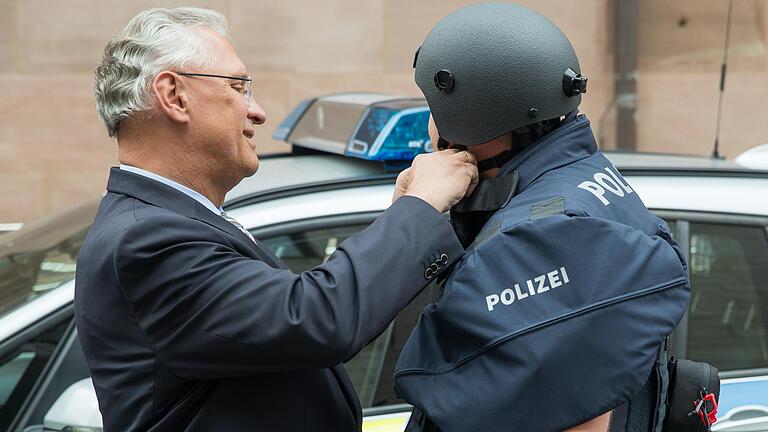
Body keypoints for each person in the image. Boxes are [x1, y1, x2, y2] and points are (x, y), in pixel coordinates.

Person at [75, 7, 478, 432]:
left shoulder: (166, 221)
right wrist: (418, 207)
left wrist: (404, 218)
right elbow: (316, 318)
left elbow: (300, 333)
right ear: (174, 96)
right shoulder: (148, 239)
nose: (258, 112)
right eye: (239, 87)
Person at [393, 3, 691, 432]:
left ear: (472, 114)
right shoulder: (579, 177)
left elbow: (576, 409)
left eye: (434, 107)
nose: (430, 125)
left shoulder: (538, 236)